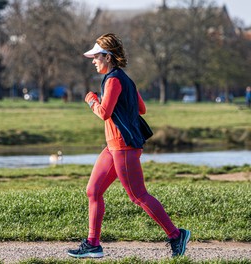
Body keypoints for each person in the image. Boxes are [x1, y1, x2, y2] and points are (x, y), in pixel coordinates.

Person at [67, 33, 190, 259]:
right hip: (113, 147)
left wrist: (92, 100)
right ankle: (93, 244)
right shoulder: (125, 80)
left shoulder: (114, 80)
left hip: (123, 147)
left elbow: (104, 113)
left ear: (108, 57)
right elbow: (141, 108)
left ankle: (176, 235)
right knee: (93, 191)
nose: (93, 60)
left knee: (138, 195)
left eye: (96, 56)